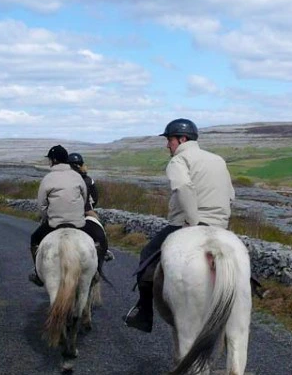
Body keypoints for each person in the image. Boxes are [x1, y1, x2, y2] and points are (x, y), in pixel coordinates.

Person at [124, 118, 235, 332]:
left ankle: (144, 315)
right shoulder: (218, 160)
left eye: (170, 140)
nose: (168, 145)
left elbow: (184, 188)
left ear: (182, 139)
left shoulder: (179, 160)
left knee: (147, 255)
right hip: (220, 227)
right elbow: (231, 195)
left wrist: (193, 224)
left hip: (187, 225)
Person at [29, 145, 108, 286]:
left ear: (53, 160)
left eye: (49, 160)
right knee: (100, 237)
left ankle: (38, 272)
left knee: (34, 239)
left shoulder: (48, 178)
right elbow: (84, 198)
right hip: (78, 222)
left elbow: (41, 205)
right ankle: (97, 269)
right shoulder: (77, 177)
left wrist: (47, 217)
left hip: (54, 223)